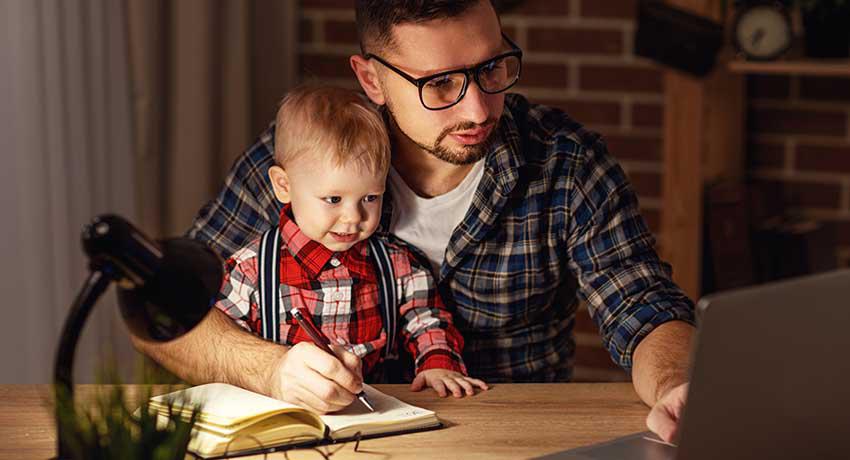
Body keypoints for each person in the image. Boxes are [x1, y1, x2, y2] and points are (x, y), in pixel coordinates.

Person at [131, 0, 695, 443]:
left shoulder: (566, 165)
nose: (477, 109)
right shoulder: (297, 165)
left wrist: (677, 385)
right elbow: (164, 311)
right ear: (372, 80)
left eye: (492, 67)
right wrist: (270, 369)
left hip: (515, 441)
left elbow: (642, 307)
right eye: (440, 83)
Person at [213, 85, 487, 408]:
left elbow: (427, 318)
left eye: (370, 198)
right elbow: (225, 343)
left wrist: (438, 362)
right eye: (333, 199)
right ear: (284, 186)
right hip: (287, 417)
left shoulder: (396, 265)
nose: (353, 216)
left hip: (381, 415)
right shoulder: (252, 269)